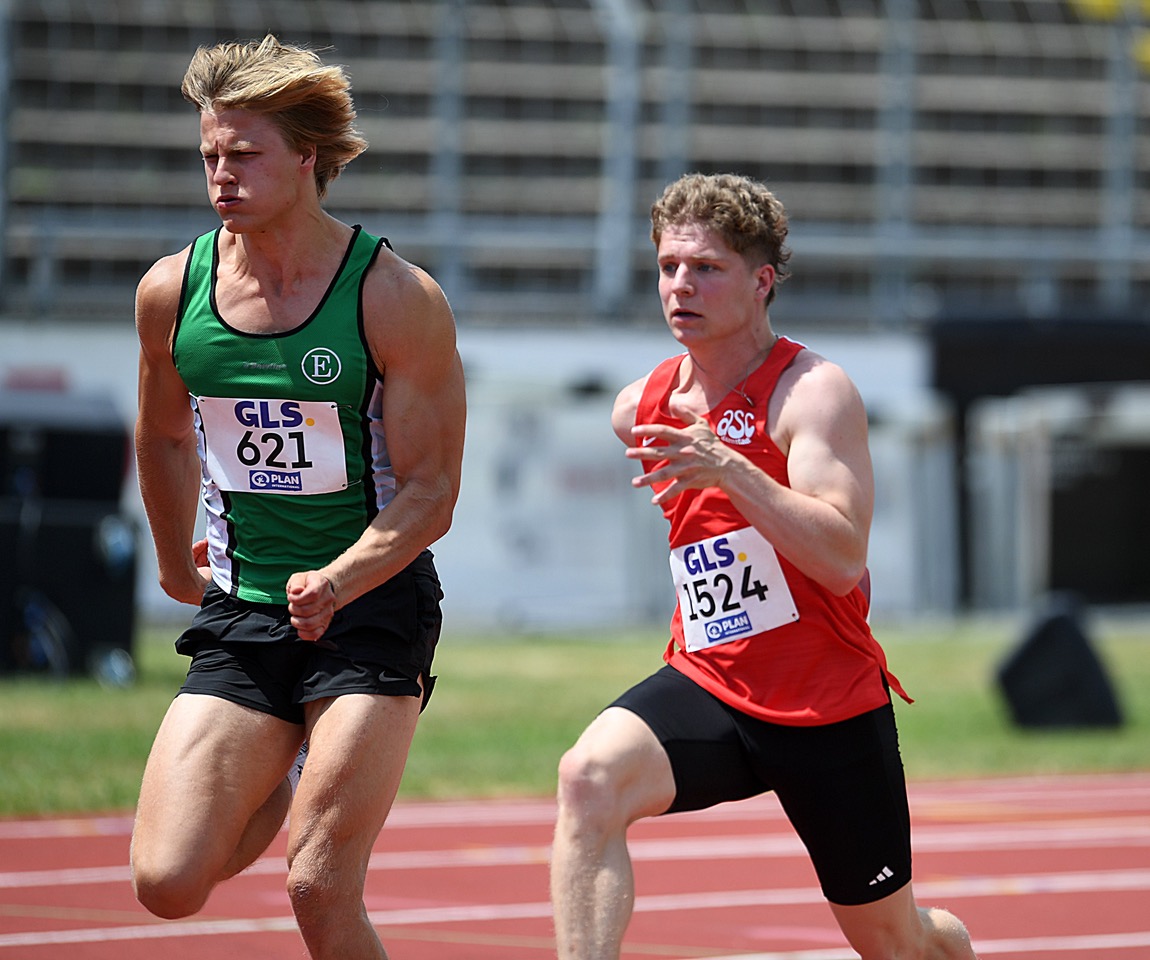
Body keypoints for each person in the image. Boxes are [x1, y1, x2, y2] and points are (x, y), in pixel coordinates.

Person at [550, 172, 979, 960]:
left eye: (707, 268)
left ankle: (944, 947)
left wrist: (729, 467)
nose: (681, 285)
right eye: (669, 266)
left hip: (826, 706)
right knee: (588, 777)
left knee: (895, 943)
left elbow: (842, 559)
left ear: (762, 281)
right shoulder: (638, 409)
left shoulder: (812, 394)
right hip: (711, 683)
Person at [129, 36, 465, 960]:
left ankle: (313, 752)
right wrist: (173, 560)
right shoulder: (173, 291)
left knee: (318, 886)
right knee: (166, 882)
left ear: (307, 157)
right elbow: (163, 435)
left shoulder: (393, 297)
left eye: (245, 154)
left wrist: (340, 578)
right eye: (210, 155)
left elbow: (432, 491)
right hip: (246, 607)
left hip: (370, 608)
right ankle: (284, 767)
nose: (221, 175)